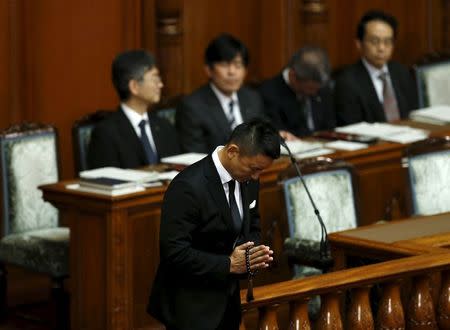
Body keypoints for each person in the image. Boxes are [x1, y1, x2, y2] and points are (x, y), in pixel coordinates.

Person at [148, 119, 279, 330]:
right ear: (233, 151)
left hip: (228, 300)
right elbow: (174, 252)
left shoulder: (249, 178)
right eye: (253, 168)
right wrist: (229, 264)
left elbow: (252, 224)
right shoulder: (188, 186)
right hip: (190, 305)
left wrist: (251, 255)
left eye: (260, 171)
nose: (256, 176)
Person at [87, 50, 180, 169]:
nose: (160, 84)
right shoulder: (106, 134)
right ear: (134, 86)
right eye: (155, 79)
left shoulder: (165, 127)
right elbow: (107, 181)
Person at [176, 33, 266, 153]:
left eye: (238, 65)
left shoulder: (252, 98)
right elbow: (194, 156)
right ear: (208, 70)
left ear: (245, 71)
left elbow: (262, 139)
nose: (232, 72)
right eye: (224, 65)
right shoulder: (192, 107)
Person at [334, 10, 418, 125]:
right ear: (359, 44)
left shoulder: (401, 72)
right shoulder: (347, 83)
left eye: (387, 42)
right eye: (374, 41)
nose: (381, 48)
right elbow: (352, 128)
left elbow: (414, 114)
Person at [259, 46, 336, 138]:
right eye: (310, 88)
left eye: (317, 89)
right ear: (293, 76)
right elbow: (279, 135)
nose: (314, 93)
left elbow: (330, 126)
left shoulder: (321, 88)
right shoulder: (269, 93)